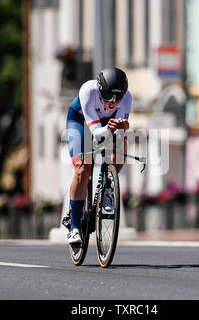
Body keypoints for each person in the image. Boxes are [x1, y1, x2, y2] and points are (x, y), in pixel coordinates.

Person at [65, 67, 132, 246]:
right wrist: (110, 128)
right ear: (100, 90)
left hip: (106, 125)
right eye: (108, 96)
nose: (112, 102)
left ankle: (108, 188)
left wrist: (121, 126)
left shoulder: (127, 98)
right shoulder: (88, 90)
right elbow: (96, 133)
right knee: (83, 168)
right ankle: (74, 228)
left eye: (117, 98)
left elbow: (116, 133)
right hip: (80, 121)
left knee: (121, 148)